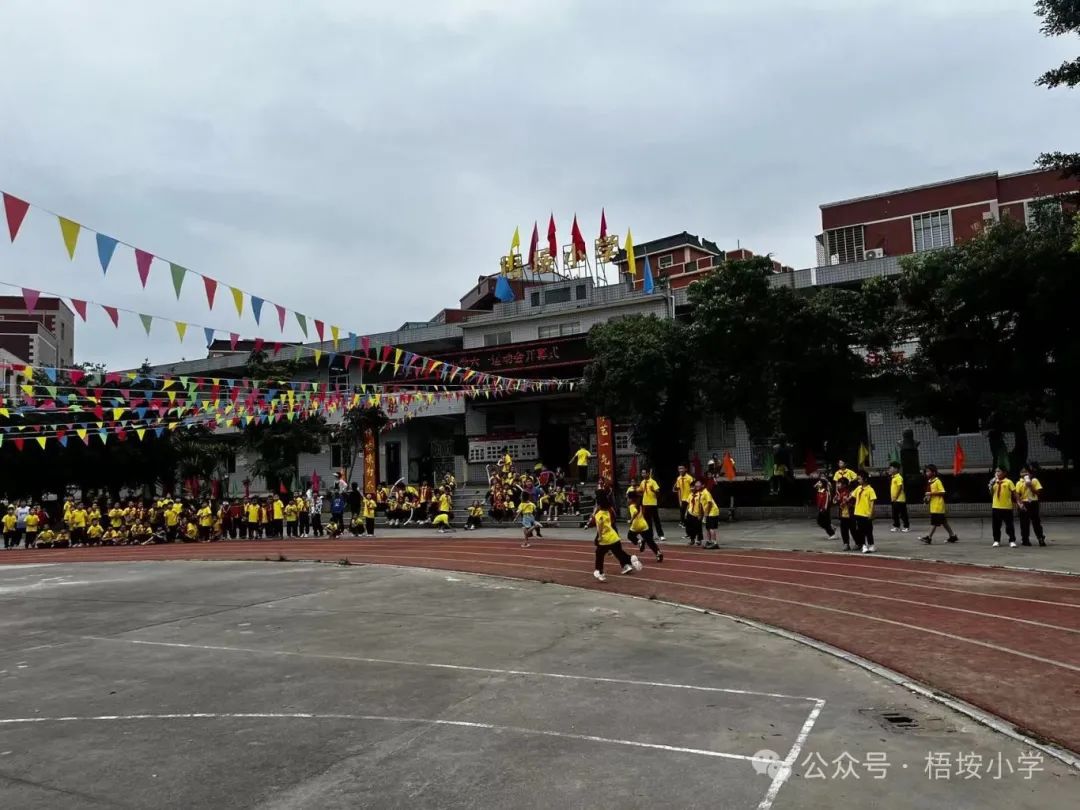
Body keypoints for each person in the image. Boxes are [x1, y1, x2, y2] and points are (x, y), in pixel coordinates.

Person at [591, 491, 642, 583]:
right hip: (614, 537)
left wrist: (599, 537)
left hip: (605, 539)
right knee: (619, 553)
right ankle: (630, 558)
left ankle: (600, 572)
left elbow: (600, 527)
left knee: (599, 554)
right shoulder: (607, 511)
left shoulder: (599, 515)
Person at [919, 465, 958, 544]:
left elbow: (942, 492)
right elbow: (929, 494)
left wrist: (931, 493)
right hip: (933, 505)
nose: (927, 473)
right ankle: (953, 536)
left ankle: (928, 537)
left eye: (928, 471)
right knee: (944, 522)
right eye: (926, 471)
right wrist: (926, 499)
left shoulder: (937, 481)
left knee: (935, 523)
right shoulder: (930, 482)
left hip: (938, 506)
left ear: (933, 473)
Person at [626, 492, 663, 562]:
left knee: (630, 536)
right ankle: (658, 553)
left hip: (636, 525)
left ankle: (639, 541)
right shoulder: (640, 505)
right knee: (650, 541)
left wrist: (630, 520)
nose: (627, 500)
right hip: (644, 524)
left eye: (628, 498)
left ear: (631, 499)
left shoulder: (631, 506)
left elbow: (634, 512)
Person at [1016, 466, 1046, 547]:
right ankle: (1025, 539)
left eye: (1026, 472)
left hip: (1033, 503)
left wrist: (1030, 485)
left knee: (1036, 521)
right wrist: (1020, 504)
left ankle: (1040, 538)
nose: (1024, 474)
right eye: (1022, 472)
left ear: (1030, 473)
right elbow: (1017, 495)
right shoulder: (1019, 483)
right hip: (1024, 503)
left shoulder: (1034, 480)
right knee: (1024, 522)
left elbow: (1038, 493)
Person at [989, 466, 1017, 548]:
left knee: (1009, 525)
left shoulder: (1008, 482)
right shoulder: (994, 482)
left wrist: (1018, 502)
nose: (997, 473)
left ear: (1004, 473)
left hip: (1007, 507)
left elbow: (1014, 493)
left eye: (999, 471)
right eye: (996, 471)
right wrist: (991, 485)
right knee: (996, 525)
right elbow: (991, 493)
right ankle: (996, 540)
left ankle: (1012, 540)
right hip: (996, 506)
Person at [852, 470, 877, 553]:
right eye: (858, 479)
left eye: (859, 479)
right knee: (860, 531)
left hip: (866, 513)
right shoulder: (858, 488)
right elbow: (852, 495)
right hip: (858, 513)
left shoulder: (870, 490)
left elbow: (872, 502)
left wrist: (872, 513)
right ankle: (863, 545)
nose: (858, 480)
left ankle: (872, 545)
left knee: (869, 530)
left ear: (865, 479)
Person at [639, 469, 665, 542]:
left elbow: (658, 491)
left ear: (648, 474)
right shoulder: (642, 482)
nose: (643, 474)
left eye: (644, 473)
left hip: (653, 503)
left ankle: (661, 535)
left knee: (656, 520)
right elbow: (640, 491)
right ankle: (650, 535)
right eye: (642, 473)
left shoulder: (653, 482)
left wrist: (653, 490)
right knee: (647, 521)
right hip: (645, 504)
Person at [888, 462, 909, 533]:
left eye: (891, 468)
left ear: (896, 469)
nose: (890, 469)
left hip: (900, 499)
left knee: (903, 514)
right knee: (895, 514)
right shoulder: (893, 477)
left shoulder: (899, 477)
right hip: (894, 500)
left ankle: (906, 526)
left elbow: (900, 487)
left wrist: (896, 497)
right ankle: (896, 526)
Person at [835, 478, 855, 551]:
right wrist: (837, 501)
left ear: (844, 484)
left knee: (854, 530)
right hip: (842, 515)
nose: (837, 485)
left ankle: (858, 543)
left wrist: (848, 501)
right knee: (844, 531)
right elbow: (835, 501)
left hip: (851, 515)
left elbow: (853, 502)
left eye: (839, 483)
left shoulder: (851, 491)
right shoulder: (838, 492)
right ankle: (846, 544)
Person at [673, 465, 694, 529]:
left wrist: (692, 498)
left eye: (682, 468)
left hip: (689, 498)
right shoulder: (678, 478)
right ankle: (683, 523)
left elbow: (693, 489)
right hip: (682, 498)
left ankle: (689, 525)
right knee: (682, 512)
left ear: (686, 469)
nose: (680, 470)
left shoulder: (689, 478)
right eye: (679, 468)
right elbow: (679, 490)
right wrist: (679, 500)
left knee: (689, 513)